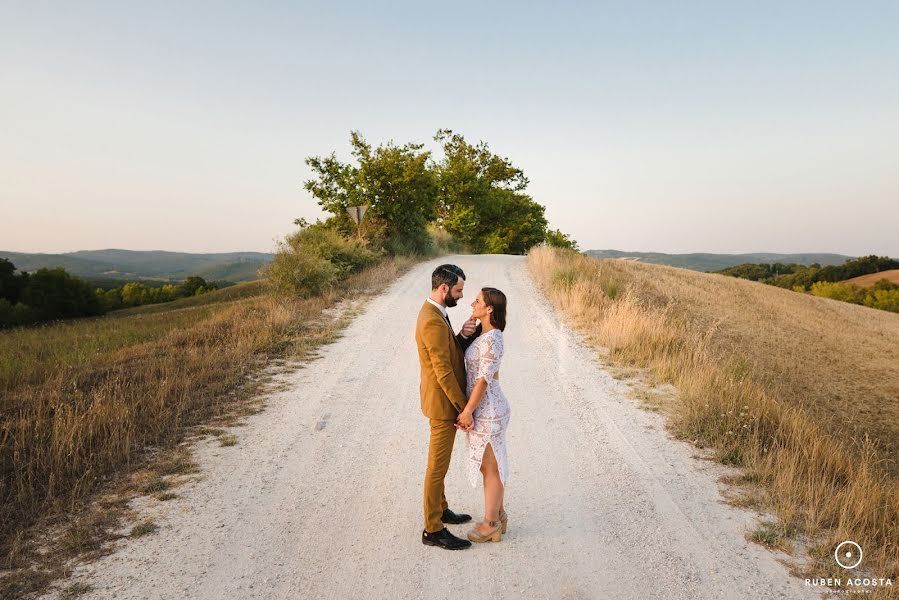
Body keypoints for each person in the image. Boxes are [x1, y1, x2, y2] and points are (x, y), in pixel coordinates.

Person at [415, 264, 481, 550]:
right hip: (443, 404)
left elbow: (446, 351)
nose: (461, 295)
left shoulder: (436, 313)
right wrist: (464, 407)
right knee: (436, 468)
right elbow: (442, 370)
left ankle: (441, 509)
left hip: (443, 401)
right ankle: (432, 528)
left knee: (438, 465)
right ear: (444, 289)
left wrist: (464, 336)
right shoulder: (430, 319)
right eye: (458, 290)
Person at [456, 287, 510, 543]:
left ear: (490, 308)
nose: (472, 303)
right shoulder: (484, 334)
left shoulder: (493, 339)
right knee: (489, 465)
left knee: (490, 467)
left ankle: (491, 525)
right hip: (485, 407)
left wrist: (468, 410)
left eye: (477, 301)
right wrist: (466, 334)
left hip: (488, 409)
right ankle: (498, 514)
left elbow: (483, 380)